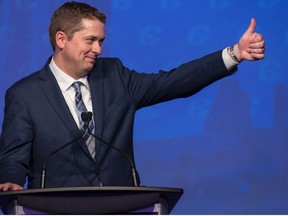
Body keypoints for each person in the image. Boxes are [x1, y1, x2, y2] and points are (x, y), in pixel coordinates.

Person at [0, 1, 265, 191]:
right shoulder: (25, 95)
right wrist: (10, 180)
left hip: (120, 205)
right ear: (61, 39)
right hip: (56, 209)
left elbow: (172, 82)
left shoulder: (115, 76)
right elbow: (13, 156)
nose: (98, 49)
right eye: (90, 40)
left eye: (101, 41)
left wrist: (233, 54)